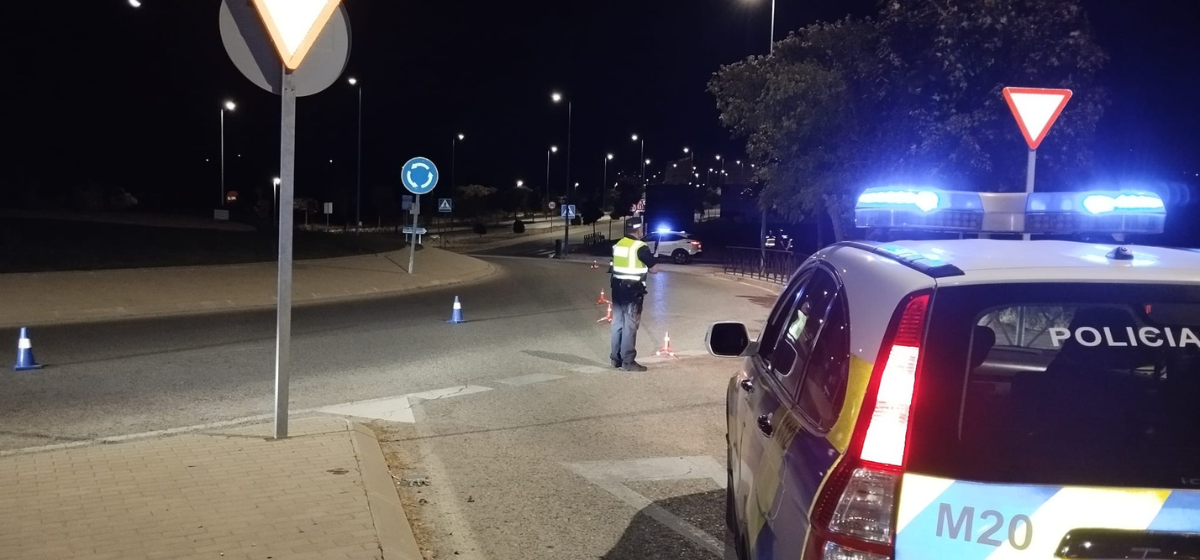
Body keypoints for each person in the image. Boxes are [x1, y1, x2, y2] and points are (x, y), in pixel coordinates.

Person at [609, 224, 657, 372]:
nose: (642, 231)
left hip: (617, 289)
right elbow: (654, 269)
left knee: (618, 324)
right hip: (632, 291)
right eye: (642, 229)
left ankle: (615, 359)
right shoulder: (640, 247)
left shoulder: (618, 244)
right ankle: (628, 362)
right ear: (638, 230)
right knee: (630, 326)